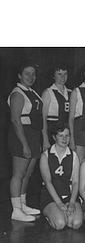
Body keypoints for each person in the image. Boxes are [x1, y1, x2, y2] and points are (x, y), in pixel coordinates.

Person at [7, 60, 42, 222]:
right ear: (20, 75)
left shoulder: (32, 92)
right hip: (21, 135)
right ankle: (16, 209)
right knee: (19, 173)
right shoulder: (17, 93)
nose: (30, 77)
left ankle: (22, 204)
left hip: (33, 134)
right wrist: (25, 144)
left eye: (33, 74)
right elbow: (15, 120)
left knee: (28, 173)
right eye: (27, 74)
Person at [39, 122, 83, 230]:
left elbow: (76, 182)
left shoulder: (74, 156)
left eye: (67, 136)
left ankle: (63, 214)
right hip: (51, 197)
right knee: (60, 224)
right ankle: (51, 215)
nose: (64, 139)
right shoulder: (45, 156)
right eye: (61, 136)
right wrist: (58, 203)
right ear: (54, 137)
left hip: (68, 195)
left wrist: (72, 202)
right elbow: (48, 182)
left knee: (76, 223)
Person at [42, 62, 71, 150]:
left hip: (65, 133)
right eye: (59, 74)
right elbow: (43, 118)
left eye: (65, 74)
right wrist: (45, 139)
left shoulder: (71, 92)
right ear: (53, 76)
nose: (63, 77)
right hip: (52, 131)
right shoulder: (48, 92)